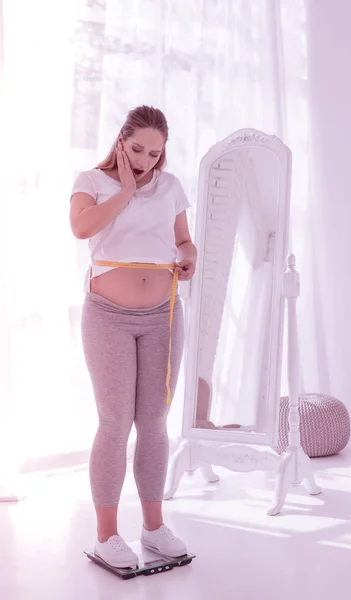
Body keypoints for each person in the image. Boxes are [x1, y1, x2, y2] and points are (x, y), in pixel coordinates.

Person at [69, 105, 197, 569]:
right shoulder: (90, 181)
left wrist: (189, 254)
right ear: (121, 140)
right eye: (138, 149)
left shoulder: (171, 186)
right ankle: (107, 536)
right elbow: (82, 227)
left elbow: (183, 239)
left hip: (164, 315)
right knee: (114, 423)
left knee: (154, 424)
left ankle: (154, 527)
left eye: (155, 153)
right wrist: (125, 190)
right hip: (108, 316)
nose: (145, 161)